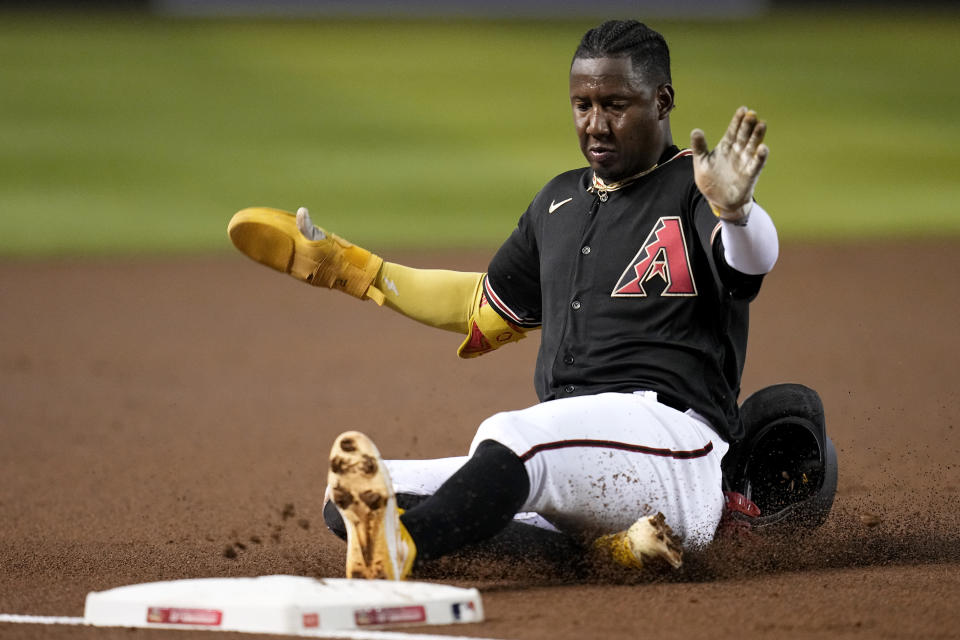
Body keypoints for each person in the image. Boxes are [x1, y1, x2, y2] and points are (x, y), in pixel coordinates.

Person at [228, 19, 780, 580]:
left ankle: (400, 547)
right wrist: (354, 270)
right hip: (578, 455)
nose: (595, 124)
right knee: (352, 492)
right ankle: (606, 553)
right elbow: (481, 305)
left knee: (515, 439)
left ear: (662, 101)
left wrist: (737, 213)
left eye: (615, 104)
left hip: (671, 449)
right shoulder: (559, 202)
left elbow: (748, 264)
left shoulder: (696, 185)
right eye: (582, 105)